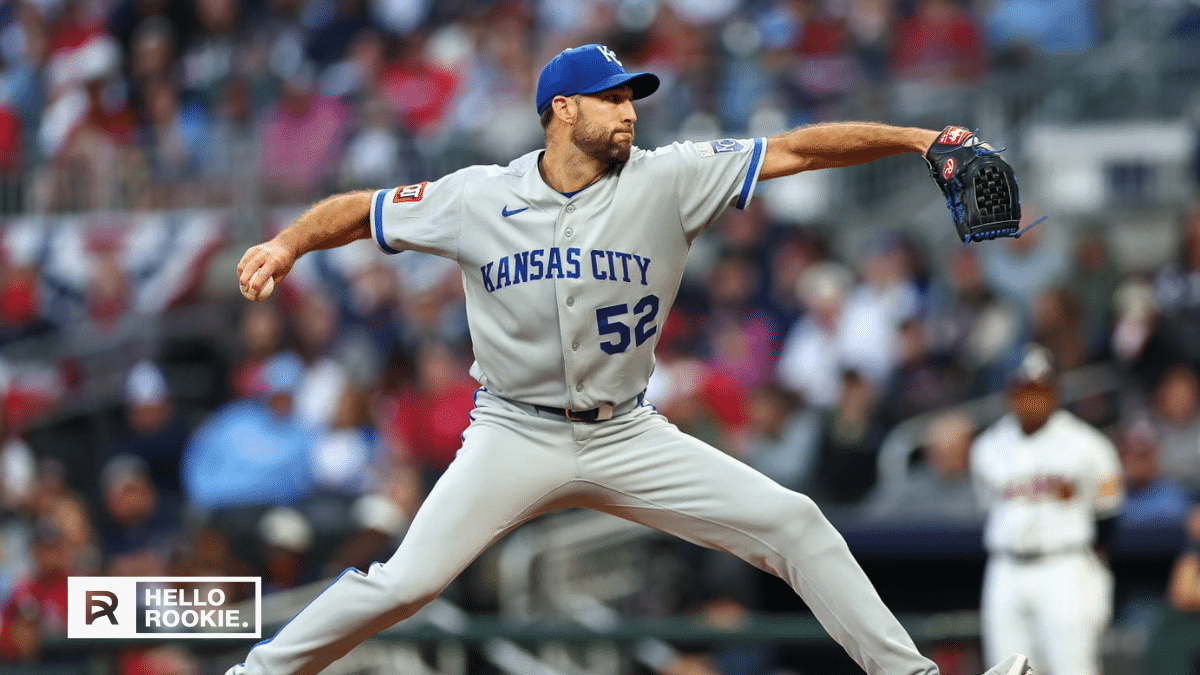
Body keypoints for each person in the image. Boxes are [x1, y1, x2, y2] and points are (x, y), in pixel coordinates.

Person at [230, 43, 1032, 675]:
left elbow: (800, 151)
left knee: (794, 521)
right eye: (612, 98)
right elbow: (361, 211)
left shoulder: (670, 178)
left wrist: (920, 139)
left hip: (627, 434)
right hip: (513, 430)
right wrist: (288, 241)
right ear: (561, 108)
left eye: (632, 99)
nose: (628, 113)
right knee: (405, 584)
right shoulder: (478, 195)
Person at [970, 344, 1124, 675]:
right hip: (1004, 567)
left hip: (1064, 565)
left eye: (1040, 390)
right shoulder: (986, 448)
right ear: (1009, 393)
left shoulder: (1089, 446)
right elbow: (986, 510)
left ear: (1055, 392)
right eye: (1024, 390)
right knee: (1003, 670)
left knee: (1073, 668)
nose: (1032, 400)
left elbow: (1108, 518)